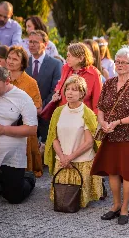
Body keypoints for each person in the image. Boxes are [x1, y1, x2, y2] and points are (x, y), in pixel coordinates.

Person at [90, 45, 129, 225]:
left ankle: (125, 208)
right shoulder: (108, 83)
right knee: (112, 172)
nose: (119, 64)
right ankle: (115, 205)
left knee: (128, 174)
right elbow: (101, 108)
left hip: (128, 136)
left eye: (124, 62)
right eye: (118, 61)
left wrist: (117, 122)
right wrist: (103, 122)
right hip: (110, 136)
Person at [0, 66, 37, 203]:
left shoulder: (23, 97)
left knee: (14, 198)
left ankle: (29, 177)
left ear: (7, 81)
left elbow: (32, 129)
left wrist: (4, 130)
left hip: (12, 154)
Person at [45, 75, 103, 208]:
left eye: (74, 90)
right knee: (61, 200)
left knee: (79, 202)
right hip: (62, 160)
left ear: (82, 93)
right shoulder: (58, 112)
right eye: (67, 89)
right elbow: (53, 137)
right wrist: (62, 158)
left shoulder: (87, 113)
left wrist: (69, 158)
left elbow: (89, 142)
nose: (69, 92)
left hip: (81, 161)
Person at [7, 46, 43, 177]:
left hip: (23, 125)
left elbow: (38, 108)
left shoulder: (30, 83)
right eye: (9, 58)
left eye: (15, 59)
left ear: (22, 63)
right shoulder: (2, 77)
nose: (10, 61)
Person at [24, 30, 63, 144]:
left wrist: (43, 108)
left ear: (45, 45)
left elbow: (56, 89)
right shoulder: (24, 63)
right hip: (26, 116)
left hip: (47, 116)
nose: (31, 45)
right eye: (30, 42)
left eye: (35, 42)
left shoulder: (55, 64)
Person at [51, 43, 102, 114]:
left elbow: (98, 101)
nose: (66, 59)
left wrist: (94, 120)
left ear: (81, 58)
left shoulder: (94, 73)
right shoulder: (66, 68)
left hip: (83, 116)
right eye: (67, 56)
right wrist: (57, 92)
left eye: (69, 56)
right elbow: (60, 84)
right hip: (64, 113)